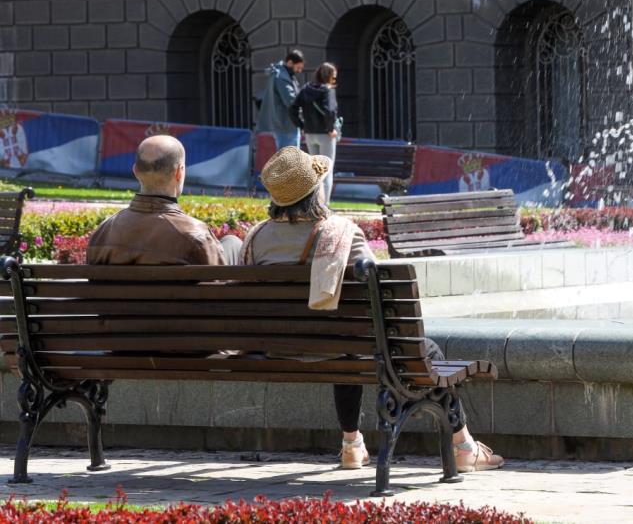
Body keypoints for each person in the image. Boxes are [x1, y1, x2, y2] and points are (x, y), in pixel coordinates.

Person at [242, 146, 504, 473]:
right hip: (339, 347)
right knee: (426, 352)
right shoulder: (341, 234)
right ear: (315, 191)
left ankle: (352, 445)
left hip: (278, 350)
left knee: (343, 344)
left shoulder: (256, 239)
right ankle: (463, 447)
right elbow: (381, 298)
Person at [87, 135, 241, 265]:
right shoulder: (196, 236)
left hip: (118, 293)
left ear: (135, 171)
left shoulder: (102, 233)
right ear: (179, 172)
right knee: (232, 243)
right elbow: (217, 283)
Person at [289, 62, 342, 202]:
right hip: (325, 135)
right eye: (334, 77)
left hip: (310, 134)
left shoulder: (306, 89)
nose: (334, 80)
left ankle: (315, 204)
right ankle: (324, 206)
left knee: (315, 172)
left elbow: (292, 108)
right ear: (328, 76)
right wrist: (330, 129)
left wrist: (301, 126)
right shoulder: (328, 90)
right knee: (326, 171)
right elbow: (330, 111)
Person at [256, 49, 304, 151]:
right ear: (290, 63)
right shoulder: (282, 77)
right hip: (287, 125)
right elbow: (291, 102)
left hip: (283, 124)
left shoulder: (281, 74)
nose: (299, 71)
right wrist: (302, 120)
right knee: (290, 156)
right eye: (298, 67)